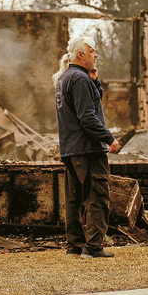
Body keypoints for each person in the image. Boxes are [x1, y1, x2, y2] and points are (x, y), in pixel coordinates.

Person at [52, 36, 120, 259]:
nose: (96, 55)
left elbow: (89, 103)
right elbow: (88, 116)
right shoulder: (79, 79)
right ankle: (92, 248)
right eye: (92, 51)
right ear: (80, 55)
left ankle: (74, 246)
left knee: (74, 198)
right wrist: (109, 139)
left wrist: (95, 82)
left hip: (70, 149)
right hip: (88, 149)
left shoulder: (66, 78)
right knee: (97, 197)